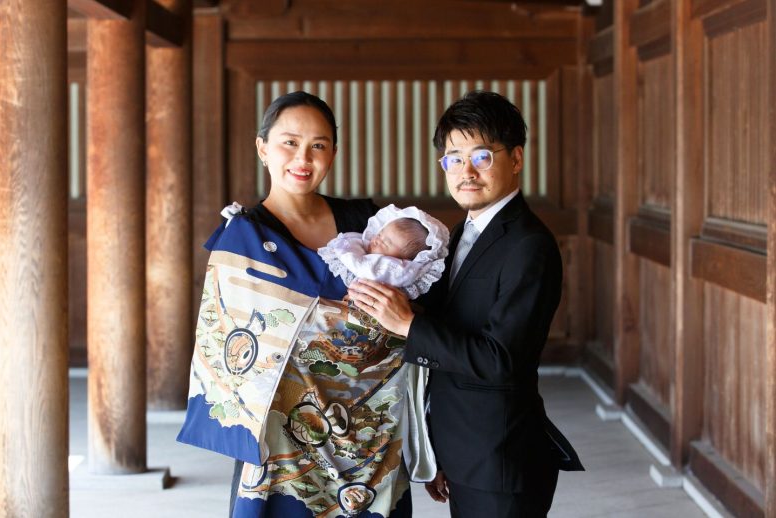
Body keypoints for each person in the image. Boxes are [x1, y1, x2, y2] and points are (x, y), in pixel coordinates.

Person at [177, 91, 435, 518]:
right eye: (289, 142)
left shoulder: (366, 222)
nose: (303, 157)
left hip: (370, 434)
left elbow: (415, 304)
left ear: (333, 152)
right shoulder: (242, 236)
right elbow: (224, 339)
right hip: (280, 434)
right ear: (262, 148)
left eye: (319, 145)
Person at [348, 90, 583, 517]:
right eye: (453, 158)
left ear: (516, 158)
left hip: (501, 456)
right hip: (466, 449)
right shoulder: (461, 233)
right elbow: (451, 328)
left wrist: (408, 325)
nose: (465, 171)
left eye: (482, 156)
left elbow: (500, 360)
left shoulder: (529, 245)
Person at [318, 204, 450, 300]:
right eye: (380, 234)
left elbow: (361, 267)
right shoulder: (364, 245)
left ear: (404, 260)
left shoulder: (395, 269)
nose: (376, 239)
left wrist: (347, 253)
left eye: (385, 243)